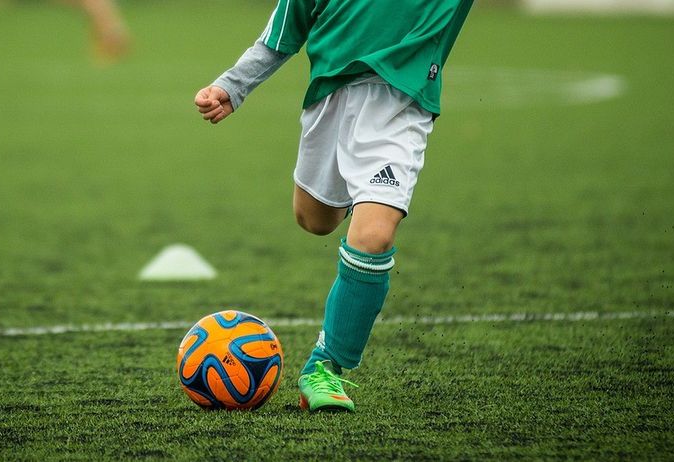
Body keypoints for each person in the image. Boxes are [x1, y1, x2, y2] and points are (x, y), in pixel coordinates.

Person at [194, 0, 474, 412]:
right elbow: (282, 33)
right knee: (314, 218)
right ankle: (365, 199)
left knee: (374, 236)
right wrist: (232, 86)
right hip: (329, 97)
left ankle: (324, 367)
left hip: (400, 101)